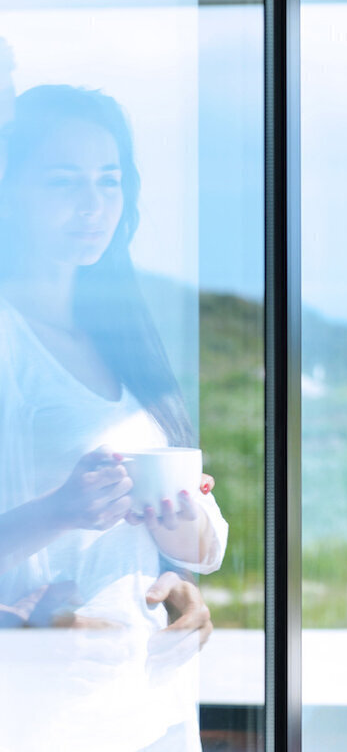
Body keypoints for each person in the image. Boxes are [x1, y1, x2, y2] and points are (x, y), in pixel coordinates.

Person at [0, 84, 228, 751]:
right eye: (62, 181)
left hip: (145, 700)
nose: (93, 205)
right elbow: (58, 523)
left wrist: (180, 587)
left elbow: (175, 535)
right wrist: (59, 509)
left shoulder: (119, 332)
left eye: (110, 180)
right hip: (42, 705)